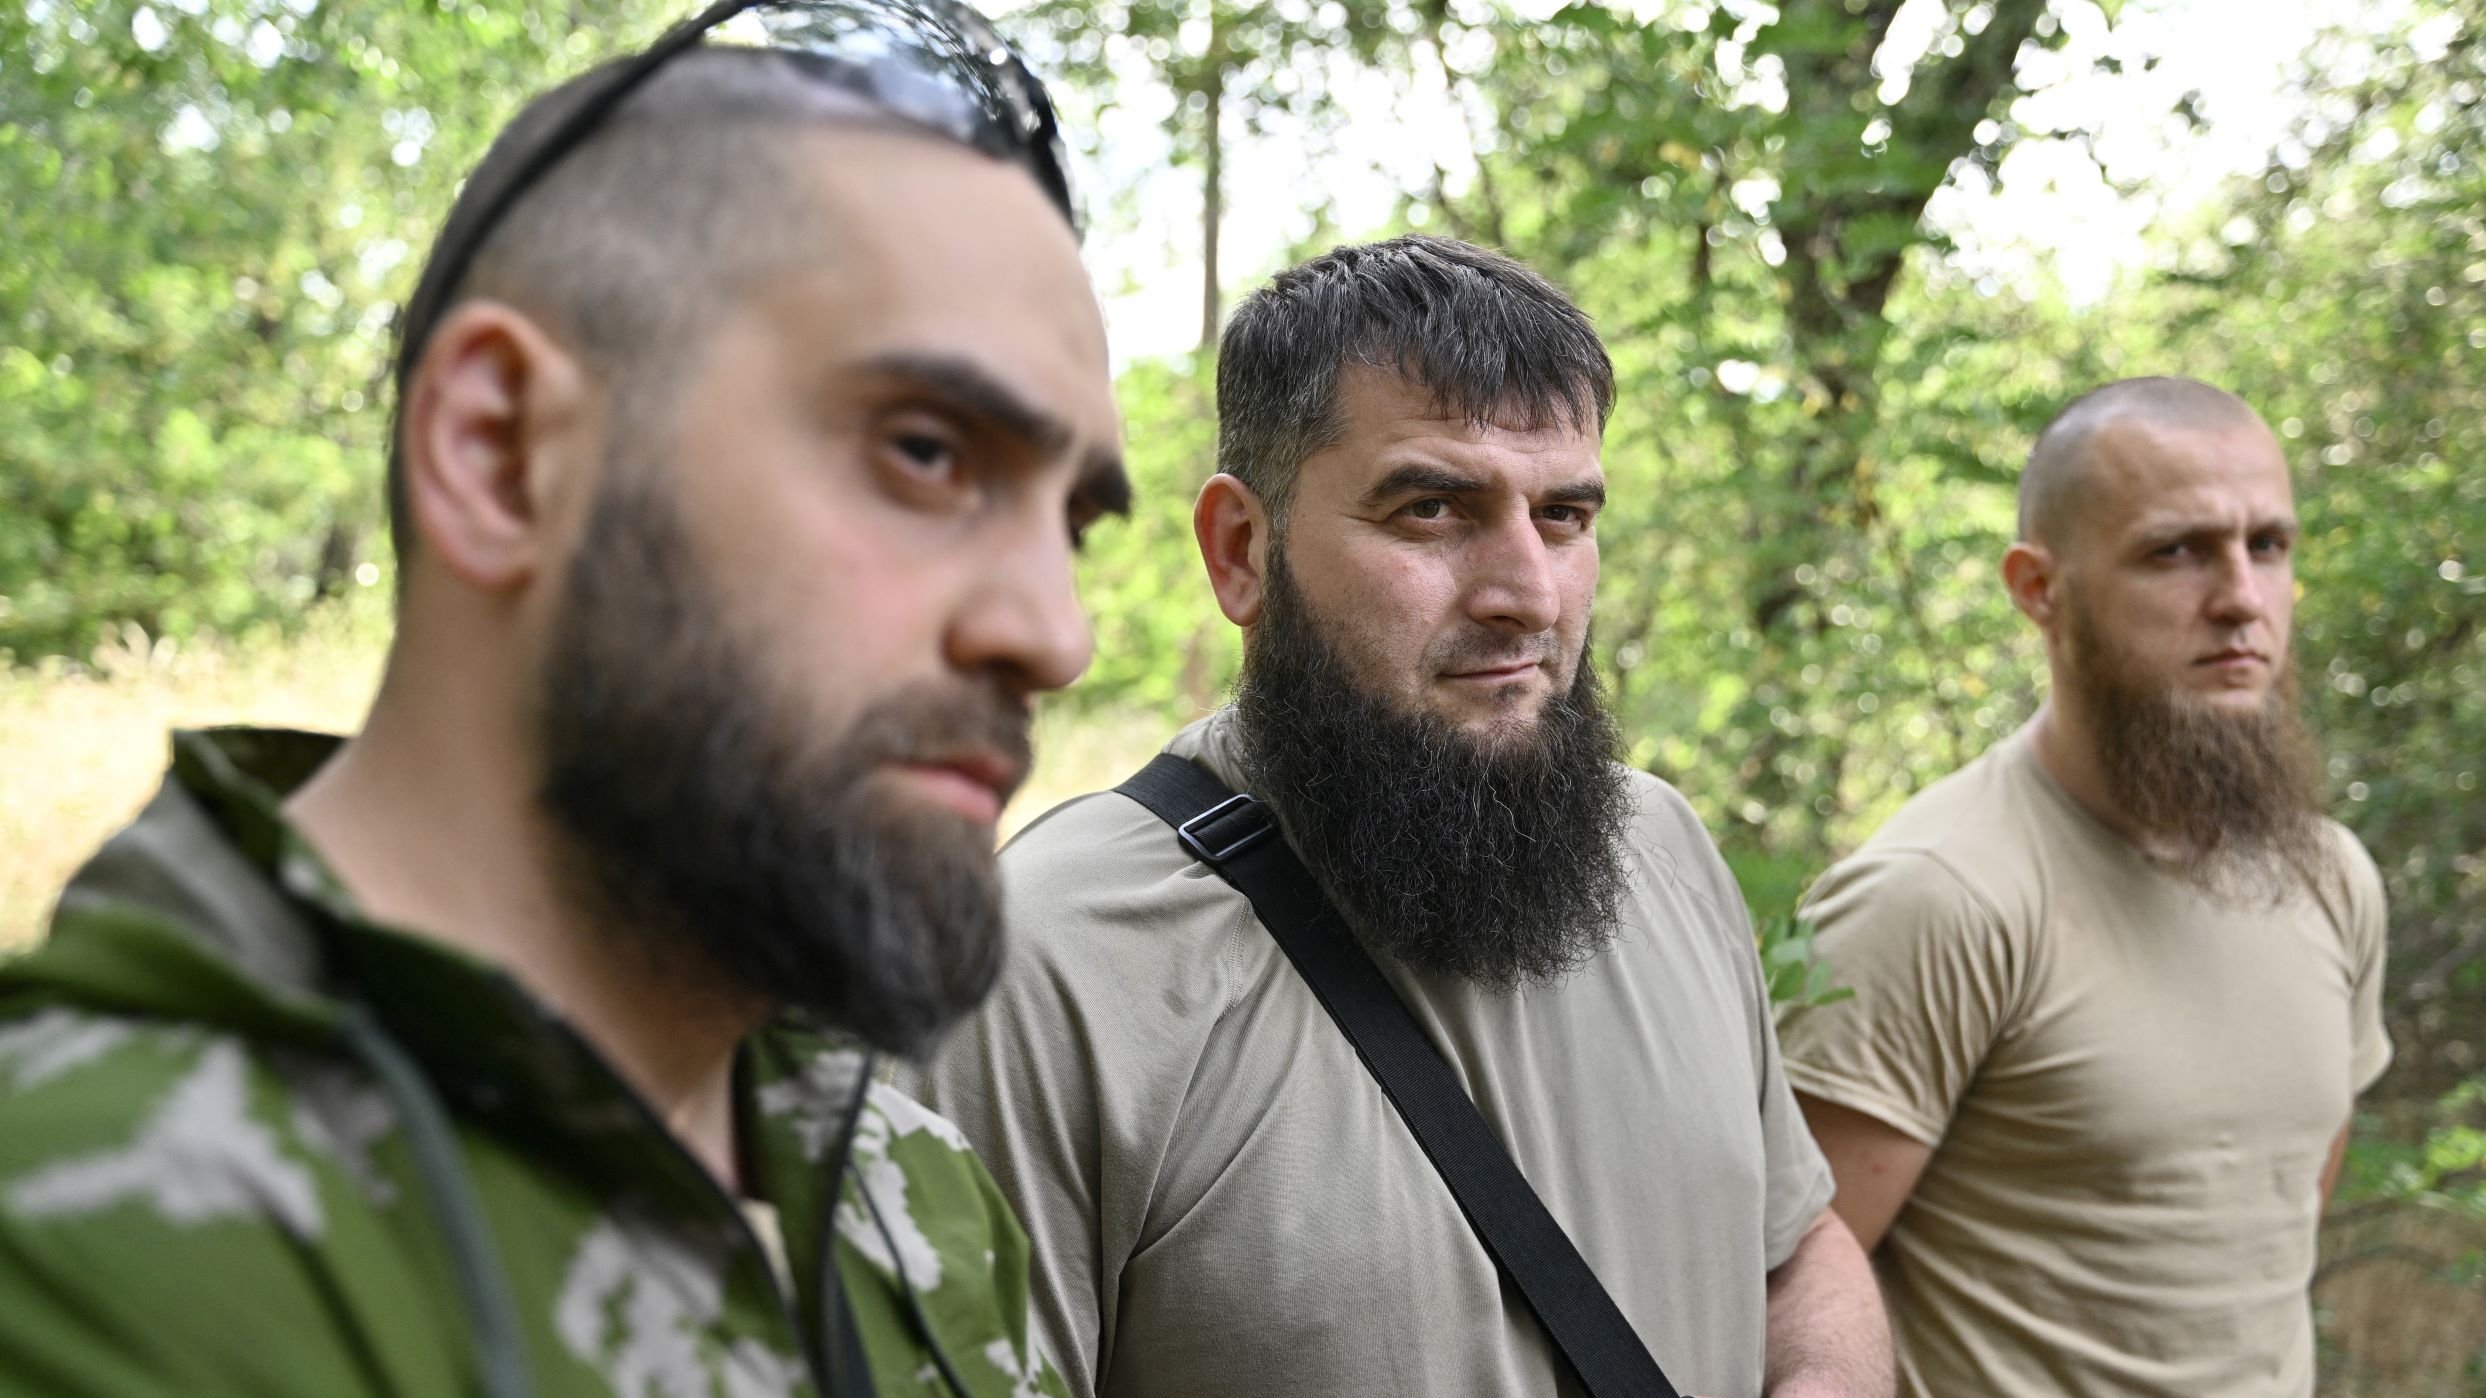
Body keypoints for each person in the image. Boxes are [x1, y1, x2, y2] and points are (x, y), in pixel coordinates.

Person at [0, 5, 1127, 1395]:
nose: (1055, 634)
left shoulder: (910, 1196)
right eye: (923, 452)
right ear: (500, 454)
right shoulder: (85, 1229)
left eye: (1068, 521)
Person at [907, 234, 1892, 1398]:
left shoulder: (1661, 850)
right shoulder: (1039, 964)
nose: (1525, 593)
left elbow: (1794, 1250)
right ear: (1240, 552)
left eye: (1565, 516)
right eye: (1430, 510)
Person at [1777, 377, 2391, 1397]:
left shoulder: (2327, 875)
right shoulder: (1935, 897)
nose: (2239, 596)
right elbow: (1788, 1302)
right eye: (2175, 551)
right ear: (2036, 587)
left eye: (2267, 546)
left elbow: (2271, 1222)